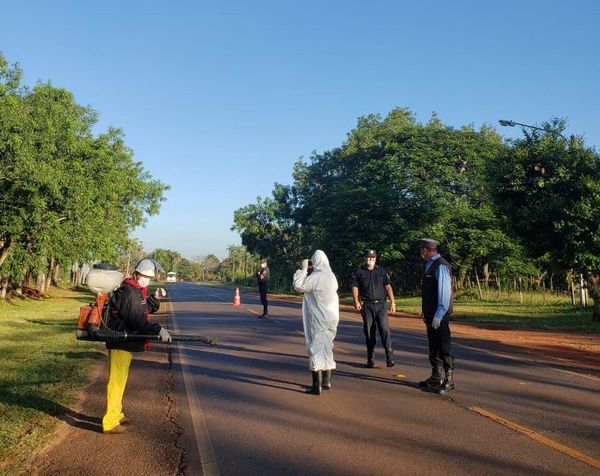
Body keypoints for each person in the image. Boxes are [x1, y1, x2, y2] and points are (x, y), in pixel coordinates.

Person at [102, 258, 172, 434]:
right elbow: (137, 320)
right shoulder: (129, 291)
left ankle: (117, 414)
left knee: (120, 380)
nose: (146, 279)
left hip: (125, 342)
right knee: (116, 381)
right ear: (136, 274)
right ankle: (110, 422)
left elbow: (141, 308)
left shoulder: (136, 290)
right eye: (144, 276)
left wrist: (154, 299)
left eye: (149, 277)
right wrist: (158, 329)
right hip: (120, 341)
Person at [293, 250, 340, 395]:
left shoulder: (316, 277)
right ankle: (326, 382)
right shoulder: (331, 276)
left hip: (318, 318)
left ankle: (316, 386)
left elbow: (299, 286)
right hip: (331, 317)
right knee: (327, 347)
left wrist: (304, 269)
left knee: (315, 348)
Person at [417, 239, 455, 394]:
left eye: (421, 250)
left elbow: (444, 293)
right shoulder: (429, 265)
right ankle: (435, 377)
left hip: (439, 315)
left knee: (443, 346)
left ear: (425, 250)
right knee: (433, 347)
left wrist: (439, 314)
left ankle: (449, 379)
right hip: (430, 315)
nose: (421, 252)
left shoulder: (441, 265)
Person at [351, 249, 396, 368]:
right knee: (369, 331)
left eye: (372, 258)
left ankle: (389, 357)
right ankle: (370, 359)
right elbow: (355, 287)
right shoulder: (359, 271)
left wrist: (393, 302)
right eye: (367, 258)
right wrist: (356, 301)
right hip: (367, 306)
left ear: (375, 259)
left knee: (384, 329)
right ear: (365, 259)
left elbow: (388, 286)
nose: (369, 260)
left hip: (381, 305)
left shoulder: (381, 271)